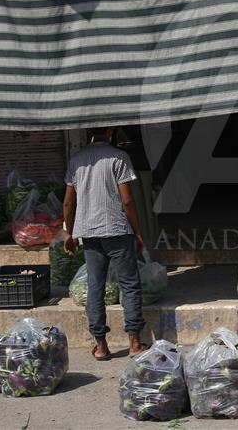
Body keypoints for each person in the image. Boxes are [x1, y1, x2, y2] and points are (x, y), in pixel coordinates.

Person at [63, 126, 147, 359]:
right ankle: (134, 343)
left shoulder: (76, 160)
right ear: (111, 132)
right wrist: (138, 232)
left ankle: (101, 345)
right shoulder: (119, 157)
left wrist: (70, 234)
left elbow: (68, 203)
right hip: (117, 230)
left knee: (95, 287)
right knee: (129, 285)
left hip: (89, 233)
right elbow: (127, 201)